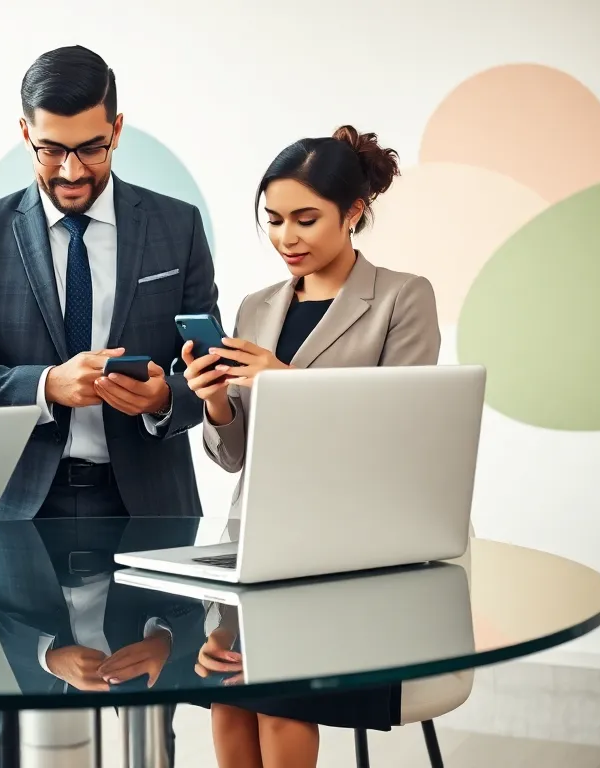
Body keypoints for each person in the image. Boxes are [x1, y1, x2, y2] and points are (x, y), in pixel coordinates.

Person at [0, 44, 219, 766]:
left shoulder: (177, 227)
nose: (71, 170)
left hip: (148, 505)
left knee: (147, 708)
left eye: (90, 148)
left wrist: (164, 398)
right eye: (51, 149)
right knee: (9, 709)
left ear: (118, 128)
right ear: (24, 133)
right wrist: (45, 386)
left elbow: (208, 369)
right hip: (19, 509)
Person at [183, 126, 441, 767]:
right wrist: (214, 401)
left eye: (305, 219)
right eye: (272, 220)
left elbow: (401, 435)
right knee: (227, 698)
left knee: (279, 704)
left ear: (354, 213)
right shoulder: (254, 306)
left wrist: (285, 382)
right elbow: (234, 454)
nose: (286, 239)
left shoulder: (403, 299)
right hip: (252, 538)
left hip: (344, 545)